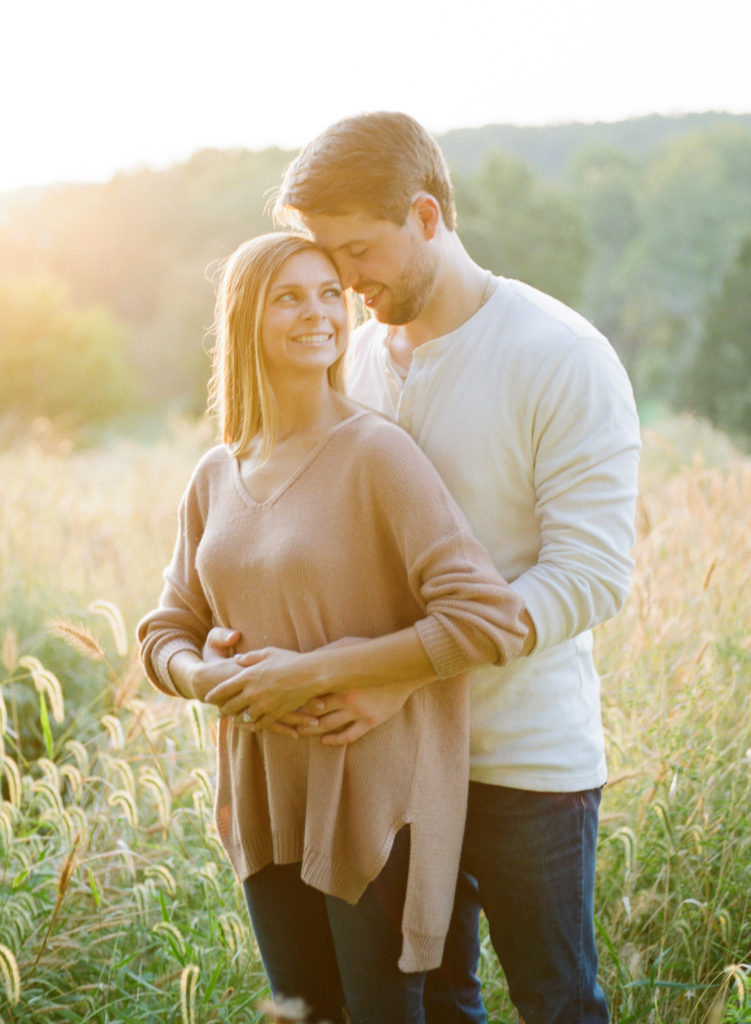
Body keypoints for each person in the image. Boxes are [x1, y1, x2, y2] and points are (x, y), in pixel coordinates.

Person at [209, 112, 641, 1023]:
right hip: (387, 764)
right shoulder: (353, 355)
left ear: (426, 216)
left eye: (357, 252)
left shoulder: (560, 356)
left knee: (556, 1002)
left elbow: (590, 574)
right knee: (437, 1004)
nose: (342, 283)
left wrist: (397, 676)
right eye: (323, 261)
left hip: (521, 758)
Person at [137, 231, 529, 1024]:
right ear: (245, 318)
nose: (317, 312)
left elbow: (487, 618)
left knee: (382, 1013)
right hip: (262, 794)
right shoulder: (216, 473)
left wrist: (315, 672)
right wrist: (205, 678)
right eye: (289, 296)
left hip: (372, 794)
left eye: (328, 293)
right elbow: (165, 632)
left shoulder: (377, 454)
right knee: (306, 1013)